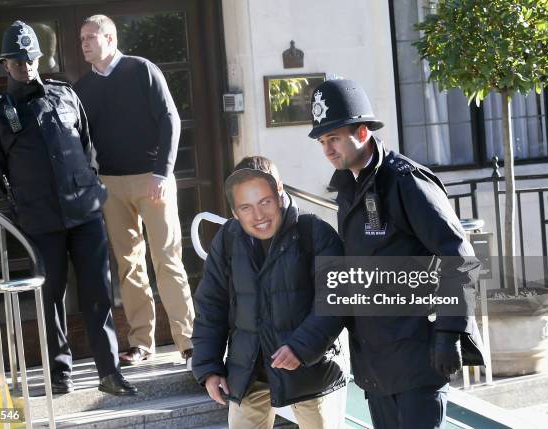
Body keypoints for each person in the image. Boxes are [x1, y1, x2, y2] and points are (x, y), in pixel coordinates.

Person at [308, 78, 486, 429]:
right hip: (376, 363)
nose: (328, 150)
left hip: (419, 356)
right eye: (323, 141)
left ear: (362, 131)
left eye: (335, 138)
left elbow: (459, 257)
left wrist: (450, 333)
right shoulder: (348, 188)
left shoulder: (407, 181)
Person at [0, 21, 137, 396]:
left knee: (98, 292)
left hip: (84, 213)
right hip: (41, 220)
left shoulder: (65, 95)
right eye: (17, 61)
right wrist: (21, 206)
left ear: (39, 58)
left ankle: (109, 372)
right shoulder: (0, 112)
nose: (25, 66)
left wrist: (88, 185)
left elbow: (85, 145)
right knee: (49, 298)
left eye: (30, 58)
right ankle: (58, 375)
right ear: (6, 64)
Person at [74, 14, 195, 367]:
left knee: (168, 261)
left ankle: (189, 342)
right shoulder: (83, 89)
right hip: (112, 185)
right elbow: (82, 141)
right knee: (128, 266)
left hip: (153, 179)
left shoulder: (142, 70)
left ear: (109, 38)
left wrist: (163, 173)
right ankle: (142, 343)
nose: (84, 42)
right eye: (82, 37)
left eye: (90, 36)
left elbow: (170, 119)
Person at [192, 165, 348, 429]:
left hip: (311, 369)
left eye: (265, 202)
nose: (258, 215)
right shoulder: (227, 240)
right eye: (246, 207)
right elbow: (211, 306)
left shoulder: (314, 232)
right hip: (248, 371)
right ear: (234, 211)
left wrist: (301, 347)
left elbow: (336, 299)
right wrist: (209, 367)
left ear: (279, 194)